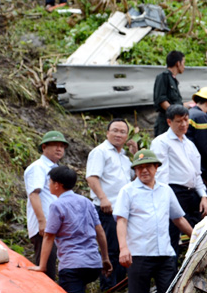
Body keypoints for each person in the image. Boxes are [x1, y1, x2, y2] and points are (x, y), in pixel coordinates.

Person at [115, 149, 193, 293]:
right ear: (135, 170)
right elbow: (122, 221)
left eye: (148, 166)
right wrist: (123, 248)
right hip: (139, 254)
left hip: (165, 254)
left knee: (169, 290)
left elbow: (179, 219)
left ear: (156, 167)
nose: (144, 170)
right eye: (139, 167)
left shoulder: (165, 190)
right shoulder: (127, 191)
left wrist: (196, 237)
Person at [29, 166, 113, 293]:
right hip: (94, 264)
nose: (48, 184)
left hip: (72, 265)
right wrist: (105, 259)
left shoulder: (57, 205)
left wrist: (42, 266)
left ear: (57, 185)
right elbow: (100, 231)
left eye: (50, 181)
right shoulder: (87, 202)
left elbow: (49, 236)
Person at [86, 118, 138, 291]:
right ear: (107, 133)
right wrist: (103, 198)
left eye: (123, 132)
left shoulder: (124, 158)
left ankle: (119, 287)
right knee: (110, 253)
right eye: (115, 130)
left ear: (127, 136)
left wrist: (135, 154)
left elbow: (134, 181)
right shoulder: (100, 152)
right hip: (106, 210)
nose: (118, 134)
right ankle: (108, 288)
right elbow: (92, 177)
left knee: (123, 251)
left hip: (123, 212)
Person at [150, 105, 207, 256]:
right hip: (173, 191)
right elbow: (161, 173)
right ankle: (172, 272)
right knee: (173, 234)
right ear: (169, 122)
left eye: (186, 120)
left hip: (192, 192)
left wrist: (203, 195)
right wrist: (163, 198)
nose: (183, 124)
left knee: (199, 228)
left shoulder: (189, 144)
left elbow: (196, 173)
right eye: (179, 121)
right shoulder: (161, 142)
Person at [24, 130, 69, 280]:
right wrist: (42, 221)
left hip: (56, 225)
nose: (59, 149)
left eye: (62, 146)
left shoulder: (55, 169)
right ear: (44, 147)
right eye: (55, 145)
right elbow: (34, 194)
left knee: (55, 266)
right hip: (44, 227)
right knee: (46, 268)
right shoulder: (38, 167)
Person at [153, 51, 185, 137]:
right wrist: (174, 113)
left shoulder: (174, 80)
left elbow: (178, 103)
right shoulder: (163, 76)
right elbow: (161, 99)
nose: (184, 66)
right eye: (183, 63)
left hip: (173, 123)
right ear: (178, 63)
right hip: (165, 123)